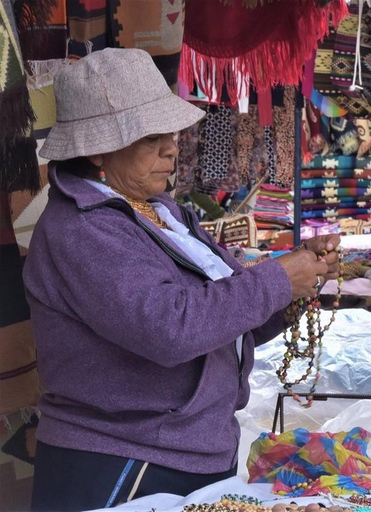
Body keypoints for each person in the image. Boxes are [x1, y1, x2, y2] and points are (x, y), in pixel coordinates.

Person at [23, 48, 340, 510]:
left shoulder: (163, 211)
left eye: (169, 132)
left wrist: (296, 285)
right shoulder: (83, 229)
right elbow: (170, 330)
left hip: (191, 447)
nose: (172, 146)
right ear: (97, 152)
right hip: (120, 458)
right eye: (152, 137)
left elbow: (224, 319)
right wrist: (274, 280)